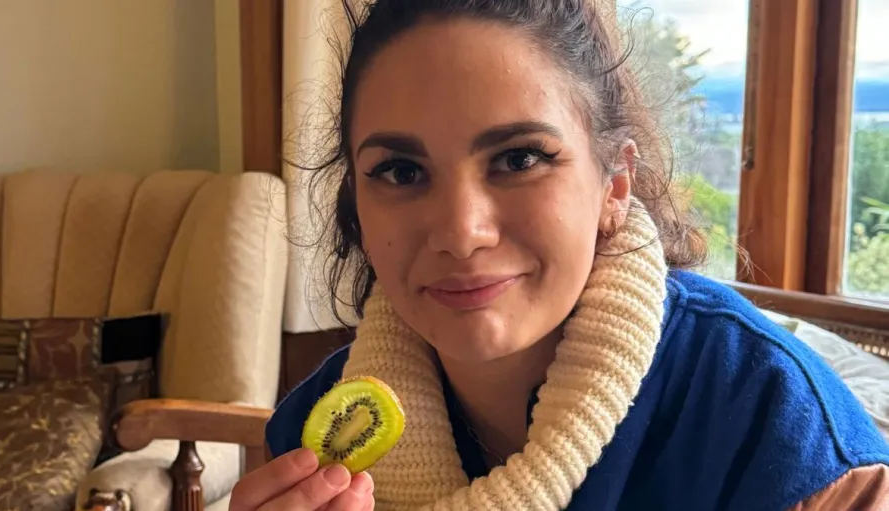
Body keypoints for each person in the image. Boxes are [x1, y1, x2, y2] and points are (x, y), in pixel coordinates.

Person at [230, 0, 889, 509]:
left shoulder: (778, 434)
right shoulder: (315, 441)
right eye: (401, 171)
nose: (461, 232)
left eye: (519, 159)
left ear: (615, 185)